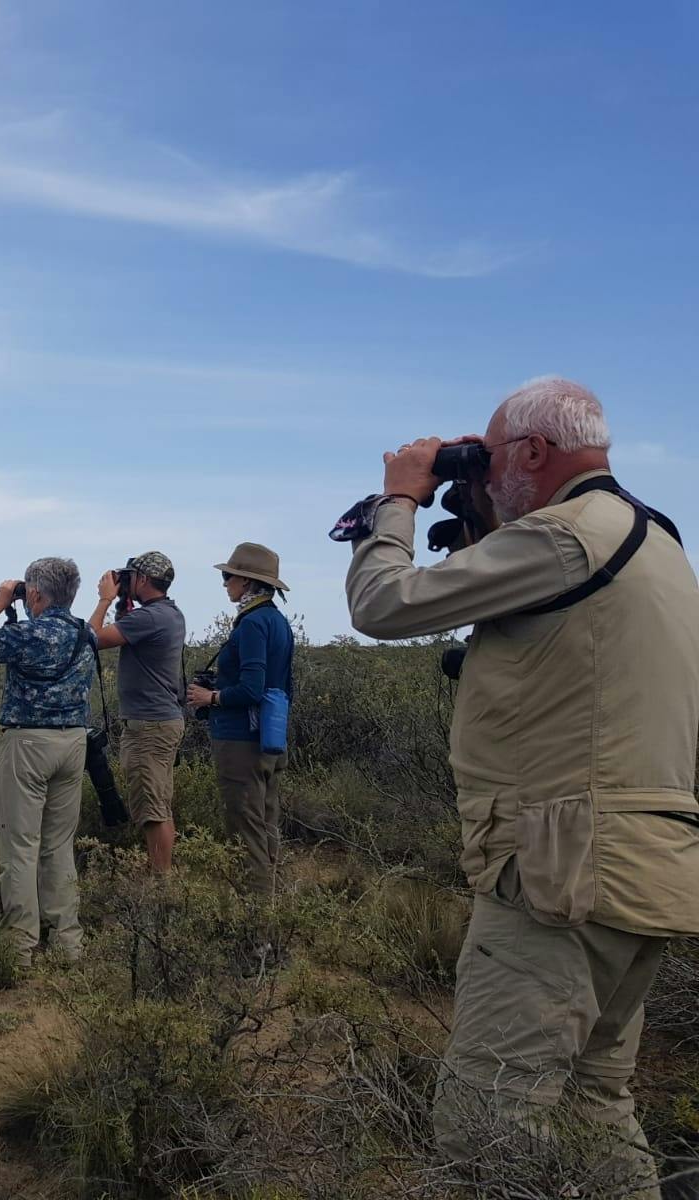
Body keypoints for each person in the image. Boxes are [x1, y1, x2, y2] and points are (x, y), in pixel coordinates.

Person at [343, 377, 699, 1196]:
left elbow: (381, 602)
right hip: (638, 869)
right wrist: (480, 513)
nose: (484, 473)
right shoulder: (650, 537)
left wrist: (396, 500)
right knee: (591, 1098)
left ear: (534, 452)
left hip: (563, 873)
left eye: (493, 457)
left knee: (485, 1119)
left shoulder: (565, 537)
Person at [0, 557, 94, 969]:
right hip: (73, 743)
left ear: (34, 593)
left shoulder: (29, 634)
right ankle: (68, 941)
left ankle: (20, 946)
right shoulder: (84, 632)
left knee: (19, 846)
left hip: (29, 744)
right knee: (58, 845)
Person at [185, 544, 294, 900]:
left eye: (227, 576)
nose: (225, 583)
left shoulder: (251, 624)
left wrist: (210, 697)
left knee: (246, 834)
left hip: (240, 742)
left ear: (247, 581)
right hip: (269, 738)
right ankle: (274, 916)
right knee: (266, 826)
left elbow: (252, 687)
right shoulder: (277, 621)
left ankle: (255, 928)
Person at [88, 551, 187, 871]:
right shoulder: (167, 613)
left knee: (152, 810)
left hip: (150, 726)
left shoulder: (150, 618)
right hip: (159, 722)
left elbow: (92, 638)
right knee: (158, 805)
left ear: (143, 579)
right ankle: (163, 877)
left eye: (130, 577)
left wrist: (105, 600)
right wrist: (124, 602)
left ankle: (161, 885)